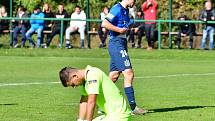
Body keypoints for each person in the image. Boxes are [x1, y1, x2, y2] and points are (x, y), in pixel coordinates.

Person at [102, 0, 146, 115]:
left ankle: (102, 105)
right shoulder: (116, 8)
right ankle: (133, 107)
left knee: (114, 76)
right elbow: (105, 23)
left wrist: (129, 26)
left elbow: (123, 24)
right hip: (116, 43)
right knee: (129, 73)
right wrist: (119, 30)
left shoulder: (126, 10)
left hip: (121, 43)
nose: (135, 2)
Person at [59, 65, 131, 121]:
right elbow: (84, 101)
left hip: (119, 116)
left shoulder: (92, 75)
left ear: (75, 76)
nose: (74, 87)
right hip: (111, 115)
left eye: (72, 84)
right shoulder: (86, 79)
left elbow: (91, 101)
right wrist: (80, 120)